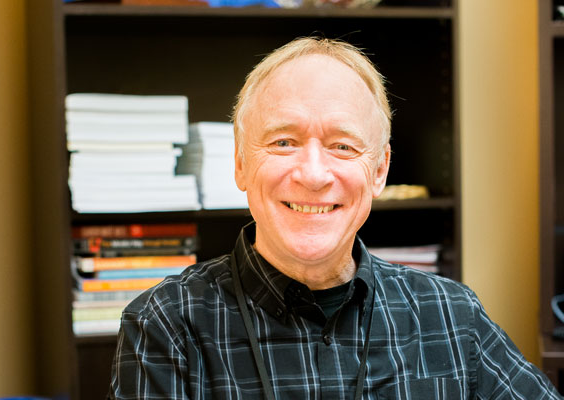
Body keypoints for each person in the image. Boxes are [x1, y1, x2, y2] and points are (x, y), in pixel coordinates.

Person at [108, 37, 561, 399]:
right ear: (241, 164)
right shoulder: (165, 325)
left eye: (342, 146)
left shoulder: (450, 314)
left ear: (379, 170)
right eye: (283, 142)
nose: (314, 174)